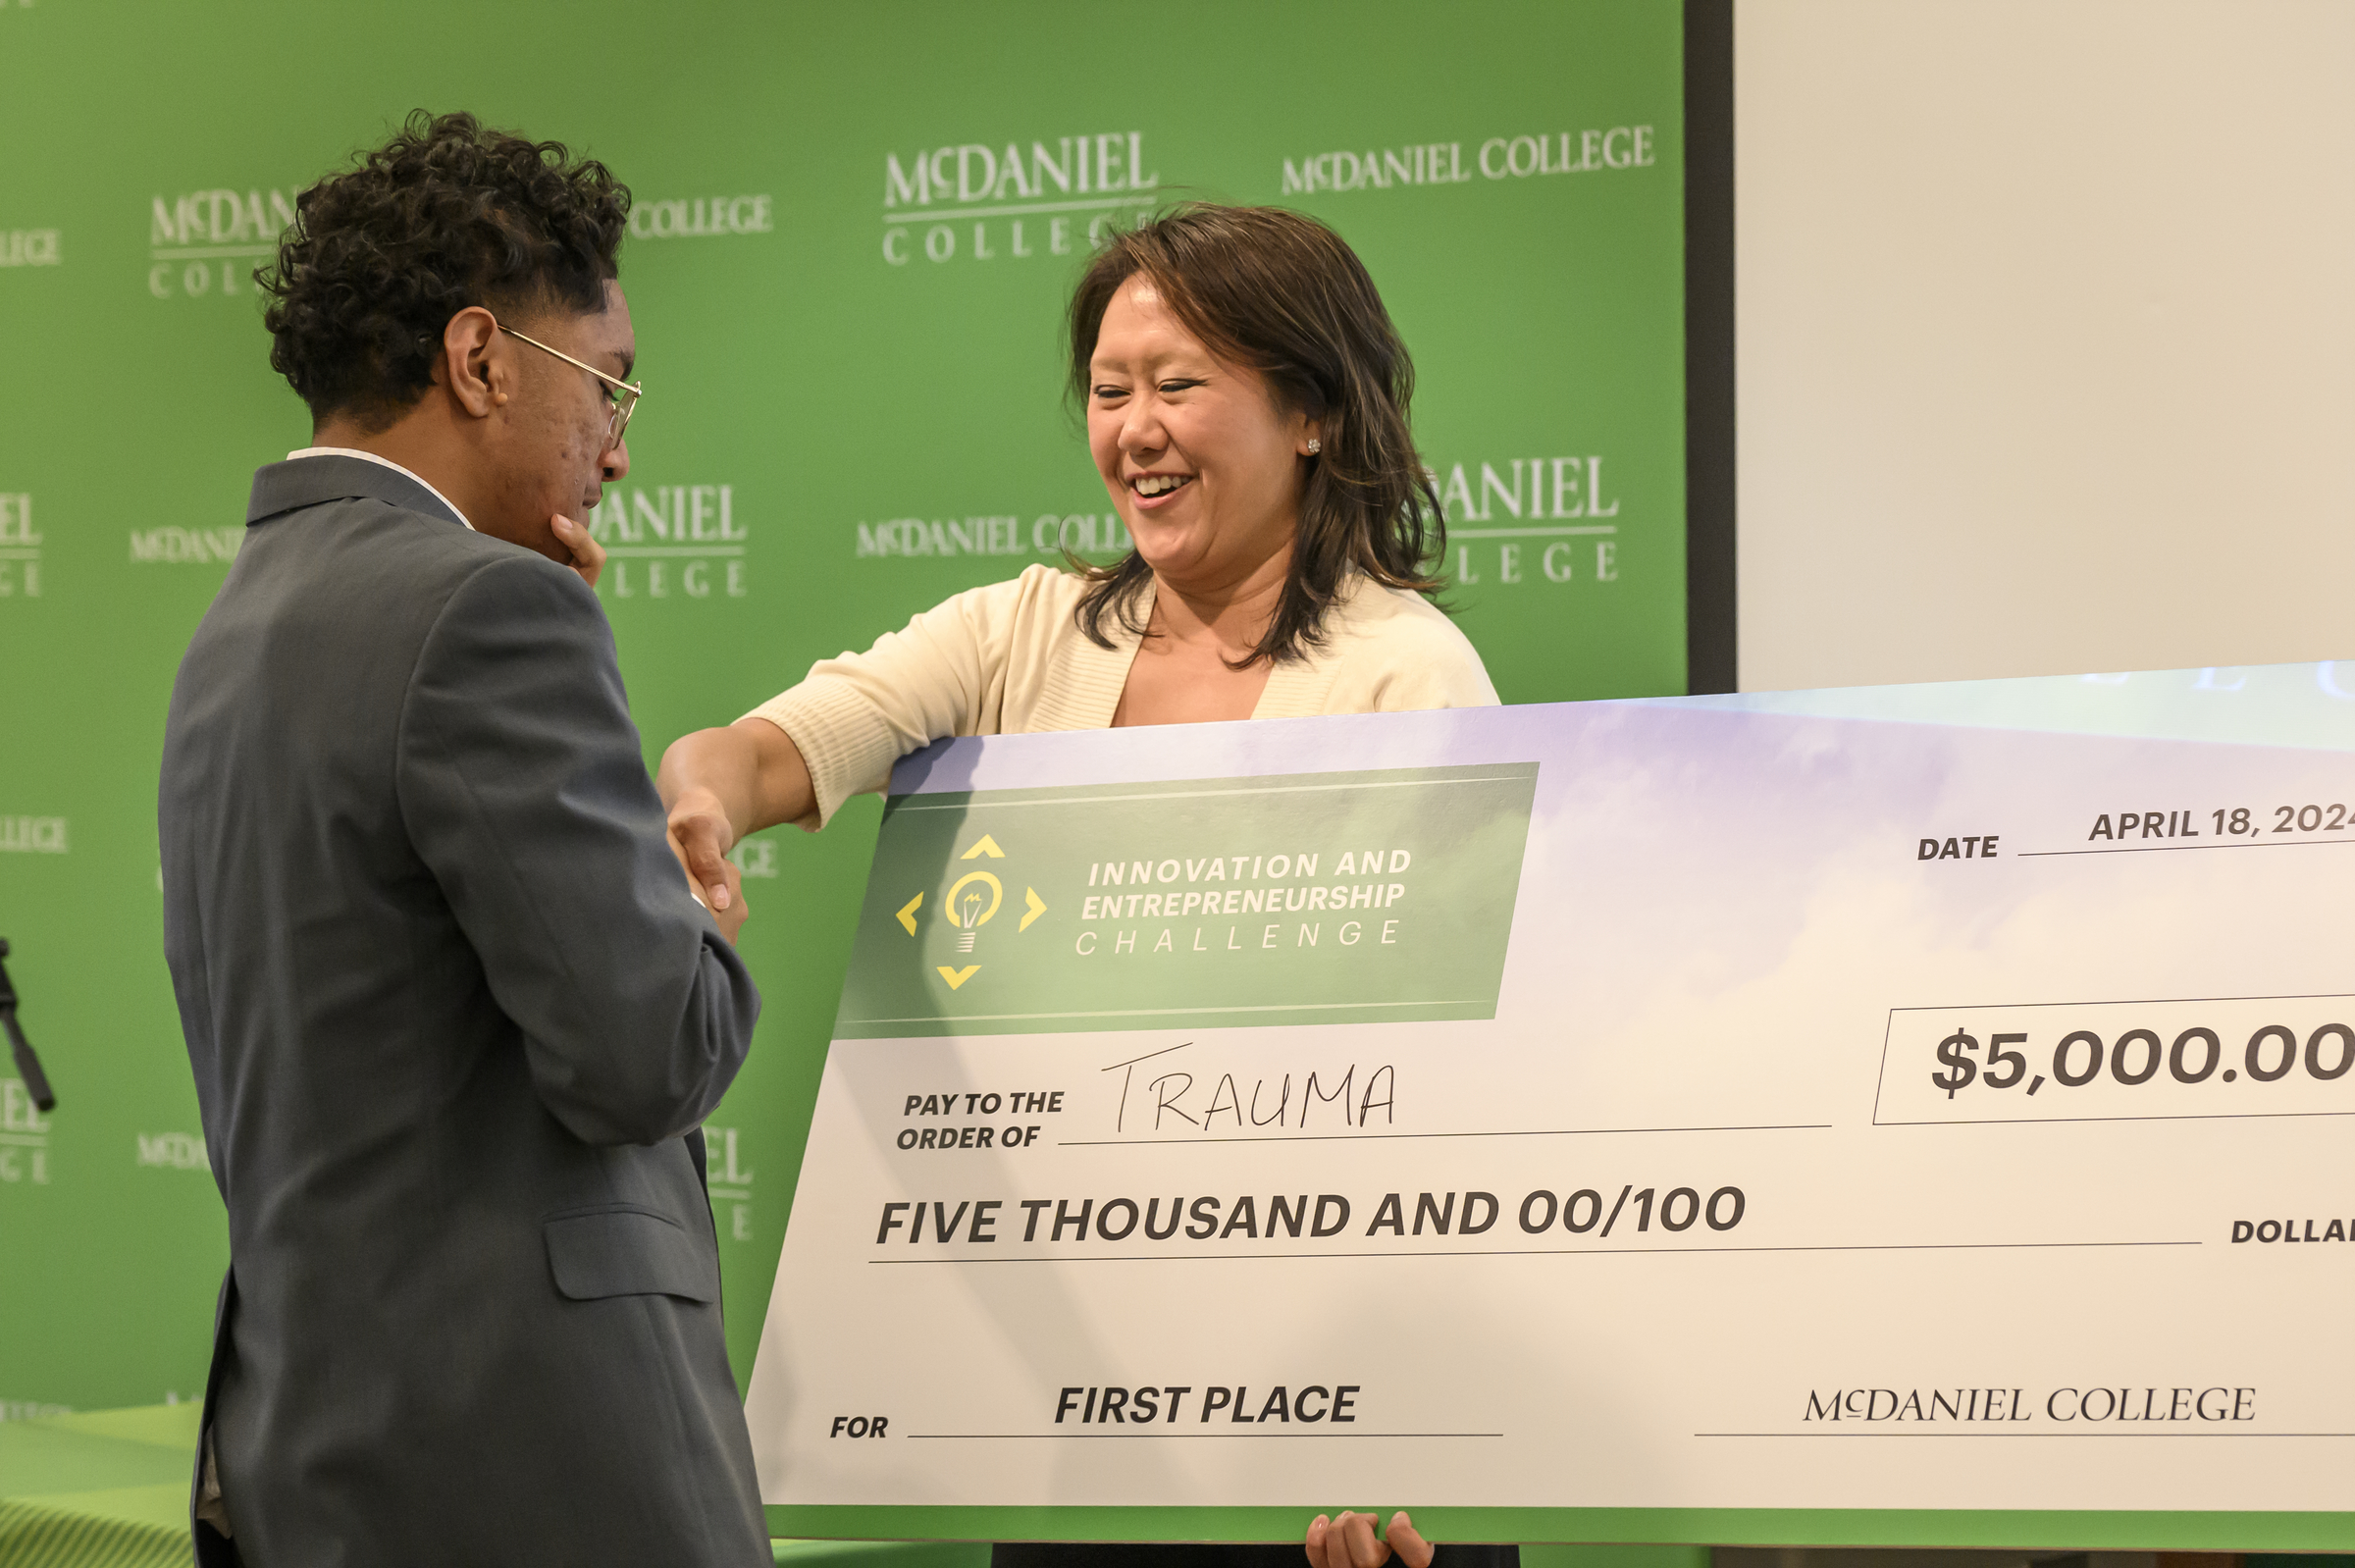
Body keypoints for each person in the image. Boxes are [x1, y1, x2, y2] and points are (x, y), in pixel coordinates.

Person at [659, 205, 1509, 1568]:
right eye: (1112, 392)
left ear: (1311, 416)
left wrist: (1393, 1430)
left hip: (1326, 1418)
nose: (1135, 428)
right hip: (1079, 1414)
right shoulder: (1024, 630)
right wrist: (701, 794)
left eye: (1179, 384)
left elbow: (1450, 1096)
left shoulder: (1405, 675)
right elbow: (782, 742)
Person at [159, 111, 768, 1567]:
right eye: (606, 392)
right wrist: (692, 915)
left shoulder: (233, 628)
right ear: (482, 359)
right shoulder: (492, 611)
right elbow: (643, 1050)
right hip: (537, 1465)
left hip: (321, 1453)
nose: (615, 456)